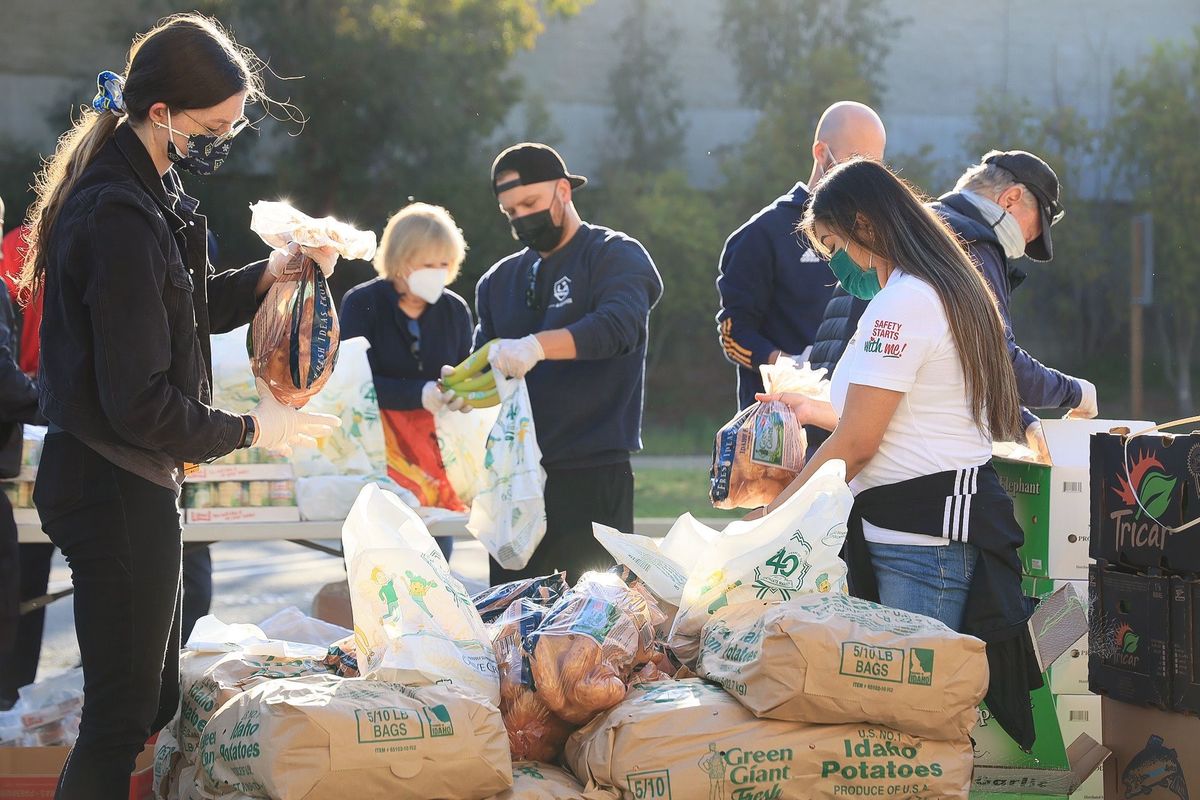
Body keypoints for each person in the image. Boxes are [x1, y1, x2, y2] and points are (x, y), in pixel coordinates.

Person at [19, 15, 341, 797]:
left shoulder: (150, 187)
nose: (224, 139)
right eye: (216, 125)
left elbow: (184, 308)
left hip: (131, 477)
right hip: (111, 477)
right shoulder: (118, 213)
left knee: (153, 700)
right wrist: (255, 428)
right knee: (120, 720)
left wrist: (272, 273)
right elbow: (138, 402)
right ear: (162, 111)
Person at [757, 158, 1040, 747]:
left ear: (865, 223)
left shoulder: (906, 302)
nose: (836, 262)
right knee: (903, 724)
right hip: (908, 531)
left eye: (834, 243)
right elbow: (895, 413)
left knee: (914, 733)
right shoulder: (921, 290)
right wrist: (814, 413)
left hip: (921, 543)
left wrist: (781, 511)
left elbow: (860, 442)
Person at [472, 142, 662, 585]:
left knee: (591, 623)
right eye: (510, 211)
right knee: (511, 619)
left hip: (591, 471)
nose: (521, 217)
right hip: (515, 479)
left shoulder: (614, 255)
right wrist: (457, 389)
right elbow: (486, 364)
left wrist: (537, 346)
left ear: (563, 190)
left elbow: (619, 327)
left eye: (530, 203)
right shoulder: (497, 282)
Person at [716, 101, 886, 411]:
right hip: (780, 428)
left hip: (853, 421)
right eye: (853, 161)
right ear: (821, 153)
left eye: (873, 166)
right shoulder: (762, 233)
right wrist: (792, 367)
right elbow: (733, 333)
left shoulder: (877, 236)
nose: (862, 178)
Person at [932, 150, 1098, 456]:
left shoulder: (921, 224)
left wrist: (1023, 422)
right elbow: (997, 359)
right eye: (1029, 233)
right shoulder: (972, 242)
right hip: (920, 458)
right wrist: (1077, 393)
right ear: (1010, 199)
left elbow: (955, 357)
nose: (1020, 248)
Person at [341, 202, 474, 559]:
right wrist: (418, 393)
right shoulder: (361, 303)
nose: (438, 273)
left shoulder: (455, 310)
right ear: (400, 259)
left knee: (435, 561)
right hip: (376, 456)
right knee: (377, 561)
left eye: (445, 265)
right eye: (428, 265)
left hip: (434, 459)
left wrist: (460, 393)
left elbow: (465, 371)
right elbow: (354, 384)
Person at [0, 195, 45, 711]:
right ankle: (17, 697)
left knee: (28, 577)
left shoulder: (15, 248)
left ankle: (18, 694)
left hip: (33, 412)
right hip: (43, 413)